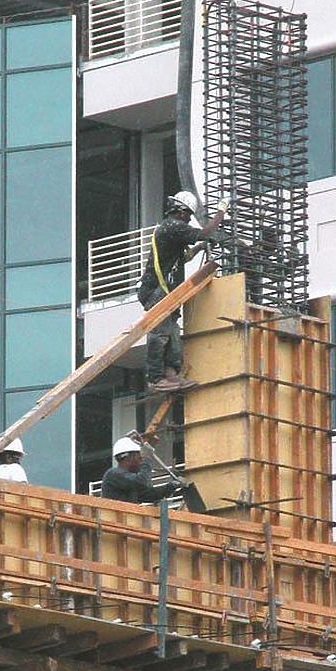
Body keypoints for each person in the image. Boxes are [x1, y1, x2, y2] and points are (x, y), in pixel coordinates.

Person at [137, 190, 229, 392]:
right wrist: (221, 212)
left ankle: (171, 375)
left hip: (167, 292)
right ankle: (156, 378)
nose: (188, 220)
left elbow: (183, 258)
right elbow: (204, 232)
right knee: (160, 334)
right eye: (188, 216)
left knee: (172, 336)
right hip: (156, 292)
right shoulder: (171, 227)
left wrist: (199, 248)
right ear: (180, 211)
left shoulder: (172, 233)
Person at [101, 436, 181, 504]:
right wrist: (147, 459)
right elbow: (141, 482)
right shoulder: (112, 474)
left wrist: (172, 486)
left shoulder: (131, 483)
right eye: (139, 458)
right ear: (128, 458)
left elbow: (149, 495)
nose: (141, 462)